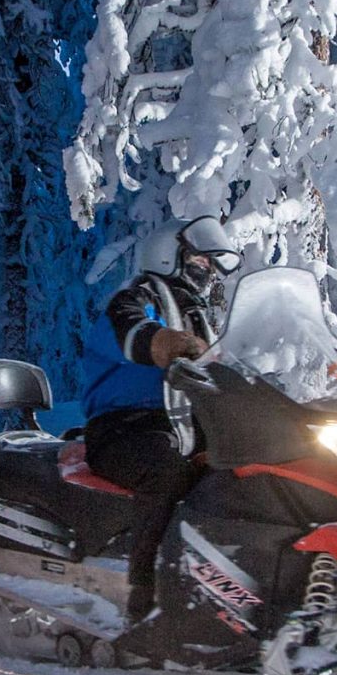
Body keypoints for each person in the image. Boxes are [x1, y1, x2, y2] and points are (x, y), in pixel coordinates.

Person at [78, 216, 240, 620]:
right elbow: (133, 333)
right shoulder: (134, 299)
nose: (207, 271)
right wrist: (169, 343)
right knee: (169, 471)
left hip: (178, 428)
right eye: (199, 261)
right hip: (123, 428)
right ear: (169, 256)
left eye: (210, 264)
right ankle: (146, 591)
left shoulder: (199, 314)